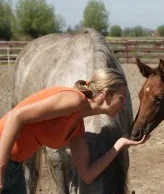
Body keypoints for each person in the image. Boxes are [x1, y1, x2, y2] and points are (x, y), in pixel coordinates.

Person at [0, 68, 148, 193]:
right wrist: (1, 170)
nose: (123, 105)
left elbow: (87, 174)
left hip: (14, 168)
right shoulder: (74, 99)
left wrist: (119, 145)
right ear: (106, 94)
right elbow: (15, 116)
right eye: (121, 98)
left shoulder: (77, 127)